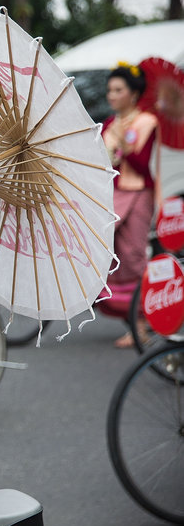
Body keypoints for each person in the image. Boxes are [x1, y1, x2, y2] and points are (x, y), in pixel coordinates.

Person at [97, 62, 159, 348]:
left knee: (134, 256)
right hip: (113, 194)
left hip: (138, 194)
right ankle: (134, 319)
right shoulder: (109, 124)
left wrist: (125, 144)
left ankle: (143, 322)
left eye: (118, 90)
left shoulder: (147, 122)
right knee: (115, 257)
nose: (111, 95)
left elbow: (143, 166)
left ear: (133, 94)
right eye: (110, 90)